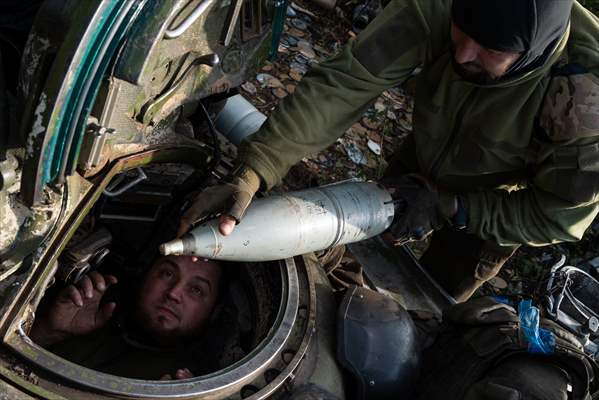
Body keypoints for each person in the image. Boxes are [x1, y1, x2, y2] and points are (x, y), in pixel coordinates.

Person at [178, 0, 599, 302]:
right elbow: (347, 84)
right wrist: (255, 168)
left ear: (534, 51)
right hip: (427, 149)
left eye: (490, 48)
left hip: (499, 204)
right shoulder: (440, 6)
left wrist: (452, 208)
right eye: (462, 32)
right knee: (369, 249)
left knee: (435, 301)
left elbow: (556, 217)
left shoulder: (586, 103)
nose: (464, 53)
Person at [30, 255, 222, 380]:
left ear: (214, 311)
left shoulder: (189, 382)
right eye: (167, 274)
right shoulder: (94, 313)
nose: (174, 293)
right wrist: (50, 331)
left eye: (196, 290)